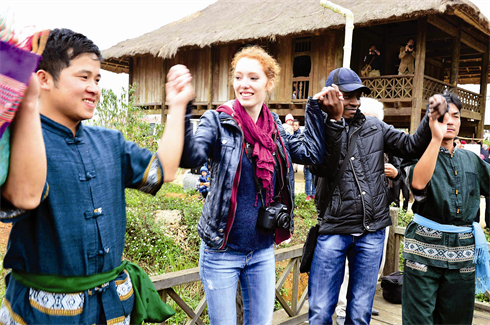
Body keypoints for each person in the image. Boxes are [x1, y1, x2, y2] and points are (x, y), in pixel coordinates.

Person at [0, 28, 193, 324]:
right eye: (83, 77)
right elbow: (25, 196)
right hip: (42, 315)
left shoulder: (110, 142)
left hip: (113, 308)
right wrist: (24, 100)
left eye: (98, 79)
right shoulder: (18, 141)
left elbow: (163, 171)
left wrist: (177, 105)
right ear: (43, 79)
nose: (94, 88)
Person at [178, 45, 325, 324]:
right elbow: (191, 157)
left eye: (253, 78)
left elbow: (311, 154)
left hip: (261, 251)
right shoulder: (218, 121)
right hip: (222, 252)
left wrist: (314, 109)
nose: (244, 84)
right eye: (238, 77)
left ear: (269, 83)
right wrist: (183, 108)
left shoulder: (276, 129)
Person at [307, 67, 445, 325]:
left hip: (372, 231)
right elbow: (321, 166)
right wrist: (334, 123)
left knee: (360, 314)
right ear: (330, 96)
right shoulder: (318, 128)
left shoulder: (375, 126)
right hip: (333, 228)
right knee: (320, 312)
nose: (355, 101)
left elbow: (410, 146)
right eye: (347, 95)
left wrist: (429, 118)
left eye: (358, 95)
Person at [401, 93, 490, 325]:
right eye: (443, 116)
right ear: (431, 120)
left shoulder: (472, 160)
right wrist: (435, 139)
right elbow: (418, 185)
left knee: (457, 318)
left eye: (456, 116)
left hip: (463, 253)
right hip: (423, 250)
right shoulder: (416, 152)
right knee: (418, 319)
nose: (450, 121)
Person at [334, 96, 394, 324]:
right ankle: (342, 309)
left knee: (374, 266)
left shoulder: (386, 144)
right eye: (372, 121)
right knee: (349, 268)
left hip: (380, 215)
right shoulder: (347, 141)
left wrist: (395, 174)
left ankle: (364, 305)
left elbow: (401, 174)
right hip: (352, 217)